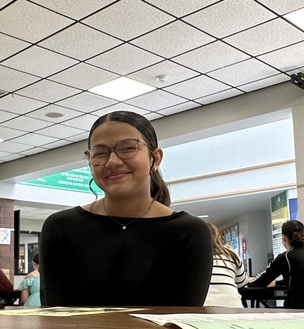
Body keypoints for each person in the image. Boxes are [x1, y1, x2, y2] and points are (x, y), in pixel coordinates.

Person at [38, 111, 211, 306]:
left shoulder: (189, 233)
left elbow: (182, 322)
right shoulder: (60, 227)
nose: (112, 161)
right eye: (100, 153)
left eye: (128, 148)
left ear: (155, 158)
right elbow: (55, 318)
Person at [250, 220, 304, 310]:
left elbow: (262, 281)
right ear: (303, 236)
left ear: (284, 238)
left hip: (302, 311)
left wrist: (247, 282)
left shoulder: (286, 257)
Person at [204, 222, 247, 307]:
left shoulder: (193, 255)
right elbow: (241, 283)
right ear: (219, 237)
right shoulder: (231, 254)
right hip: (233, 307)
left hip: (204, 307)